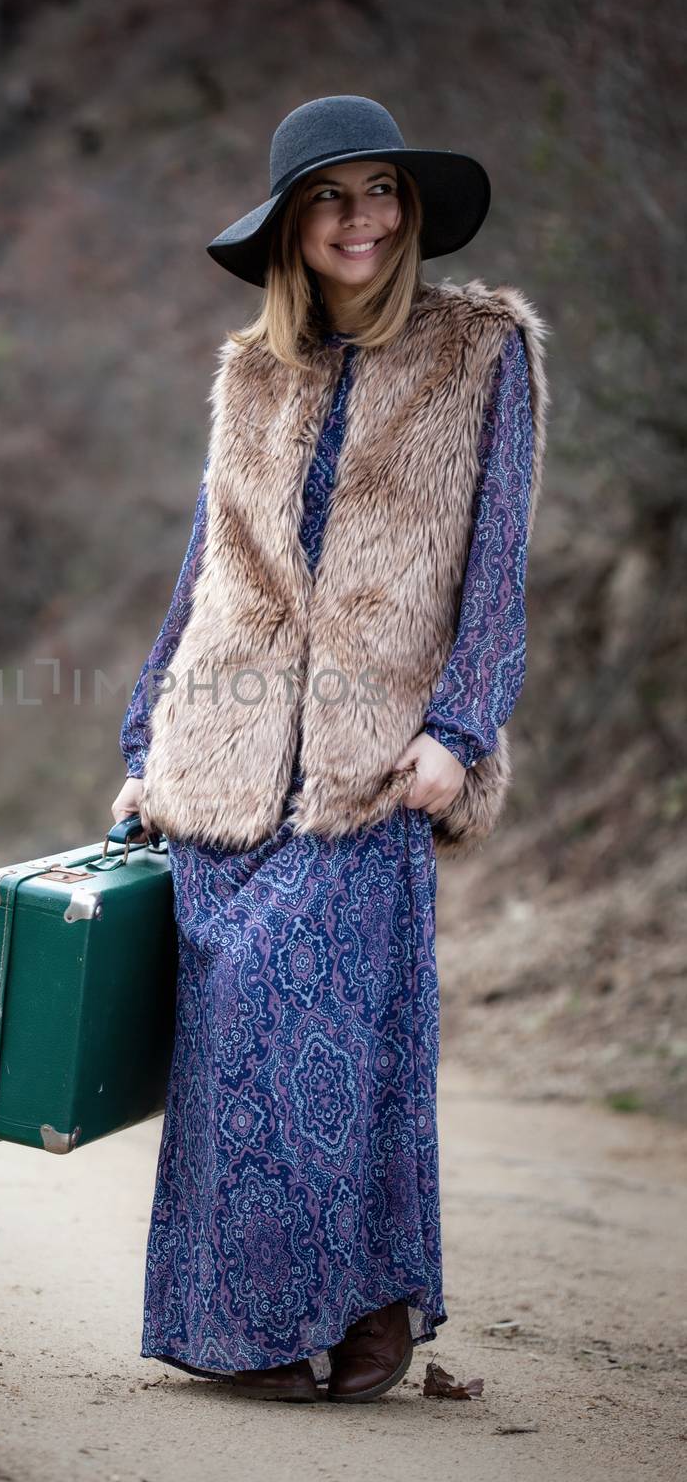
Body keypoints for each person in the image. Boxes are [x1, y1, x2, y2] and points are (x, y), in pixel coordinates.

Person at [111, 95, 549, 1404]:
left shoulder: (484, 351)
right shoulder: (250, 374)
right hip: (221, 763)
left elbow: (498, 562)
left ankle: (366, 1313)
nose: (360, 219)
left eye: (379, 194)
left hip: (376, 766)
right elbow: (203, 577)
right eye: (330, 198)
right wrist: (144, 742)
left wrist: (459, 731)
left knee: (352, 1054)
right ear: (293, 228)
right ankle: (242, 1330)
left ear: (407, 212)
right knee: (232, 1058)